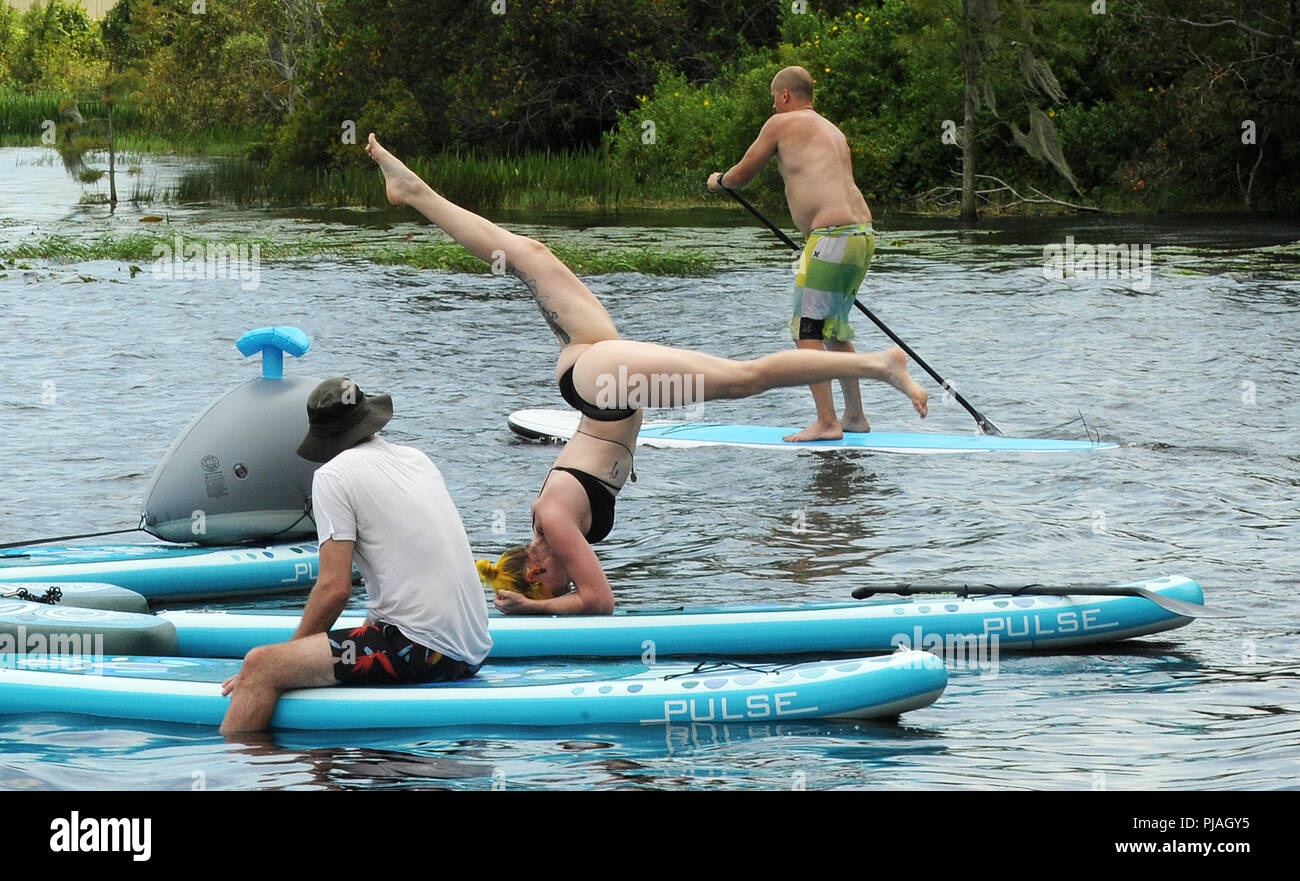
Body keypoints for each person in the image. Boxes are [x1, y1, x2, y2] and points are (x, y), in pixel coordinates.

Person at [365, 133, 925, 616]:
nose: (569, 582)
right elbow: (586, 589)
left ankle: (877, 364)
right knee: (530, 256)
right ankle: (414, 192)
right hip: (596, 375)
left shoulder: (554, 522)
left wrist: (534, 609)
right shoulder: (554, 529)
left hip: (603, 386)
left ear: (537, 575)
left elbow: (599, 601)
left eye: (551, 585)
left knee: (745, 378)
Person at [219, 377, 492, 733]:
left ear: (323, 436)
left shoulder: (332, 476)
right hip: (472, 650)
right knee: (350, 637)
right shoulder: (416, 459)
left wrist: (286, 663)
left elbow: (334, 589)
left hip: (424, 652)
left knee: (259, 664)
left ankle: (239, 769)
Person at [708, 65, 879, 442]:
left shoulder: (782, 123)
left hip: (832, 238)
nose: (773, 107)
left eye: (773, 99)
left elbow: (743, 175)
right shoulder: (831, 128)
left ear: (785, 95)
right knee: (834, 330)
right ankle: (854, 418)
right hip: (861, 236)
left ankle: (827, 423)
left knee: (807, 330)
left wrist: (719, 181)